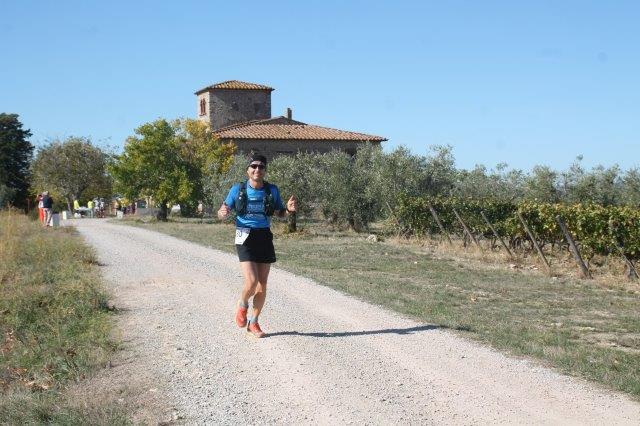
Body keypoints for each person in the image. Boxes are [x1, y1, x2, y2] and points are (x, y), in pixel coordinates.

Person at [218, 154, 297, 338]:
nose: (257, 169)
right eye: (253, 166)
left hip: (264, 236)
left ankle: (253, 322)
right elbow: (223, 210)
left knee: (262, 284)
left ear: (265, 171)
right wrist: (222, 212)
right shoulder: (237, 189)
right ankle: (242, 304)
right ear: (248, 170)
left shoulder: (271, 190)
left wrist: (288, 210)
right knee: (251, 282)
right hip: (244, 235)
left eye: (261, 167)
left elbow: (279, 213)